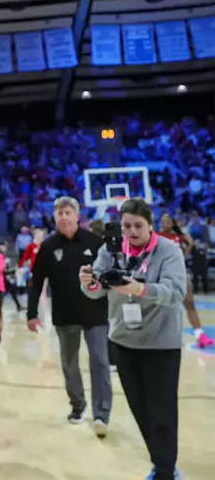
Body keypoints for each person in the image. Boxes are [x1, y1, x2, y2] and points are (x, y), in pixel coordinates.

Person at [80, 198, 186, 480]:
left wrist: (139, 288)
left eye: (138, 225)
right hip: (124, 343)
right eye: (127, 225)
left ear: (150, 225)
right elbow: (96, 292)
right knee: (141, 412)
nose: (132, 231)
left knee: (162, 414)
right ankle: (163, 465)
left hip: (161, 345)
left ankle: (164, 472)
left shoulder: (169, 251)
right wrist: (87, 282)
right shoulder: (110, 249)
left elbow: (175, 292)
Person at [29, 197, 111, 434]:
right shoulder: (48, 247)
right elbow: (36, 283)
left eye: (68, 212)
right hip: (64, 315)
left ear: (77, 216)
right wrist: (32, 314)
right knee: (69, 363)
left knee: (100, 362)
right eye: (59, 213)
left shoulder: (96, 243)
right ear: (54, 218)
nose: (64, 217)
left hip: (95, 312)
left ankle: (101, 415)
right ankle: (78, 406)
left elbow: (109, 275)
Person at [158, 214, 214, 348]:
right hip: (163, 275)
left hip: (179, 272)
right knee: (164, 307)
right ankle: (163, 337)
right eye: (163, 221)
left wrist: (183, 255)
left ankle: (199, 334)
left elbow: (191, 243)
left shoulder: (178, 236)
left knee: (189, 303)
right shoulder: (157, 237)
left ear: (172, 223)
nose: (166, 224)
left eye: (168, 221)